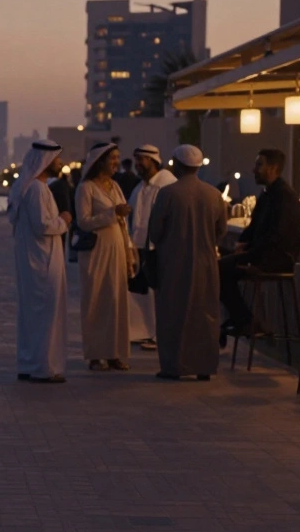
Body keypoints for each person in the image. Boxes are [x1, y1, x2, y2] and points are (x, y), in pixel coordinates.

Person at [147, 145, 228, 380]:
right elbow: (220, 231)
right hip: (206, 263)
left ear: (177, 164)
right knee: (205, 313)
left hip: (173, 263)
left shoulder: (168, 194)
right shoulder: (214, 195)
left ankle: (174, 366)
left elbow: (155, 232)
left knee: (173, 313)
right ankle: (204, 366)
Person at [219, 149, 300, 340]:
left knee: (218, 269)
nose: (254, 169)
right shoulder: (268, 193)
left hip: (277, 259)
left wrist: (248, 255)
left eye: (259, 165)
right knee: (215, 261)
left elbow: (276, 237)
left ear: (273, 168)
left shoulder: (284, 196)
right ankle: (241, 319)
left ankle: (244, 320)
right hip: (262, 253)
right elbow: (254, 226)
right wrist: (242, 243)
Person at [8, 139, 72, 383]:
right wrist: (64, 220)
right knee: (45, 314)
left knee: (35, 315)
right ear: (45, 161)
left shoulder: (36, 187)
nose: (61, 163)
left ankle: (30, 362)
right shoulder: (36, 189)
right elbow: (42, 225)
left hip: (37, 258)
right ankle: (43, 367)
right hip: (42, 261)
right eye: (57, 159)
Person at [75, 142, 136, 371]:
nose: (116, 163)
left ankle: (115, 353)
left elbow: (123, 223)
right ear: (99, 160)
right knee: (96, 300)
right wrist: (112, 214)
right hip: (96, 251)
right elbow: (83, 221)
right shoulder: (86, 188)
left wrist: (129, 250)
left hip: (117, 248)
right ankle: (95, 354)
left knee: (116, 300)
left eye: (118, 158)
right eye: (112, 158)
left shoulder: (115, 187)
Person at [126, 145, 177, 351]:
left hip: (159, 248)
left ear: (154, 161)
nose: (138, 164)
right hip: (140, 247)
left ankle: (160, 335)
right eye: (136, 159)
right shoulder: (140, 187)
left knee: (159, 293)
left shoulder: (167, 184)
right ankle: (144, 332)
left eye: (142, 160)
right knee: (141, 294)